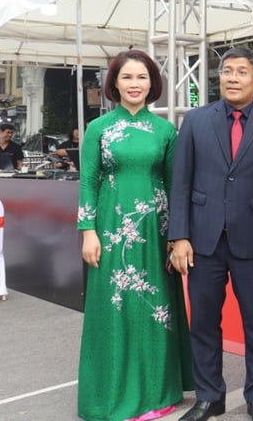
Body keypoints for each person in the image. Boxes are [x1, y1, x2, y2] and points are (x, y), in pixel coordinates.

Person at [169, 47, 253, 421]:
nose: (232, 78)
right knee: (204, 322)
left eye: (242, 72)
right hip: (202, 240)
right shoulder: (195, 120)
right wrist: (179, 236)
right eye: (227, 71)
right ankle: (209, 397)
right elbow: (181, 183)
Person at [76, 49, 194, 421]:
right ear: (114, 83)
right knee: (113, 310)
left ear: (152, 84)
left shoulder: (165, 130)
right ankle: (110, 395)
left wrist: (178, 237)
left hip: (156, 230)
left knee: (154, 311)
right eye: (127, 77)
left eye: (141, 77)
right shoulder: (98, 129)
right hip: (111, 231)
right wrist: (87, 231)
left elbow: (177, 186)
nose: (135, 84)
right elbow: (88, 181)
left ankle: (157, 392)